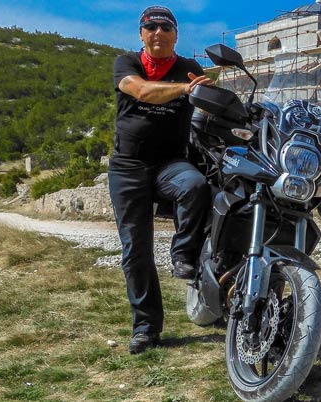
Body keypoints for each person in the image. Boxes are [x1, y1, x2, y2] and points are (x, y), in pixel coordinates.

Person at [109, 5, 213, 354]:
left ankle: (183, 255)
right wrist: (186, 89)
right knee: (135, 251)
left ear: (175, 35)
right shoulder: (127, 63)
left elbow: (210, 104)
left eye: (166, 27)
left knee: (195, 185)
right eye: (151, 26)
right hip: (128, 166)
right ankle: (146, 329)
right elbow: (141, 91)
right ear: (141, 34)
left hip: (171, 162)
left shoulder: (190, 67)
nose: (158, 32)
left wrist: (218, 98)